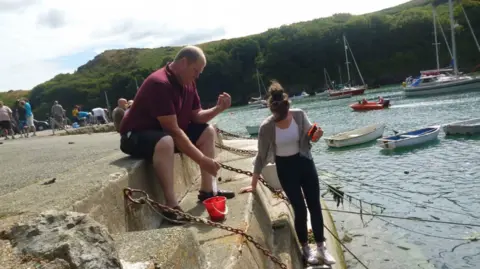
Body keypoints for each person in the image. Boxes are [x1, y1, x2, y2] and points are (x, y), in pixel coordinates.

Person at [119, 45, 235, 223]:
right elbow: (172, 130)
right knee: (166, 141)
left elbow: (197, 116)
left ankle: (207, 191)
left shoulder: (188, 83)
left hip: (161, 133)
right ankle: (171, 205)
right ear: (183, 63)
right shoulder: (160, 83)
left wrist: (218, 109)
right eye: (196, 70)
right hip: (134, 136)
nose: (197, 76)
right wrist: (203, 160)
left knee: (207, 131)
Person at [239, 81, 336, 265]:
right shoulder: (266, 127)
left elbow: (310, 135)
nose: (280, 117)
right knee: (299, 209)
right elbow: (260, 158)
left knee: (314, 204)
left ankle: (322, 248)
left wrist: (316, 135)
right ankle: (306, 249)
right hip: (285, 168)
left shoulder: (299, 116)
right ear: (272, 110)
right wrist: (252, 185)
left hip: (305, 163)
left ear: (287, 106)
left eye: (282, 113)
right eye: (275, 114)